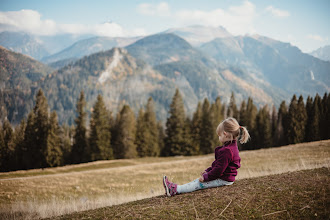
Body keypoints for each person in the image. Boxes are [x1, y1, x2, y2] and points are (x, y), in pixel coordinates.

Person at [163, 117, 250, 197]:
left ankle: (175, 190)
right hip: (226, 178)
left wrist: (206, 177)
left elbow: (219, 170)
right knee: (198, 181)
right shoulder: (231, 148)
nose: (219, 137)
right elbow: (218, 164)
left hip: (224, 179)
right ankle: (176, 188)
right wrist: (208, 170)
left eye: (219, 135)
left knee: (199, 183)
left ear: (225, 134)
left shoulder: (227, 151)